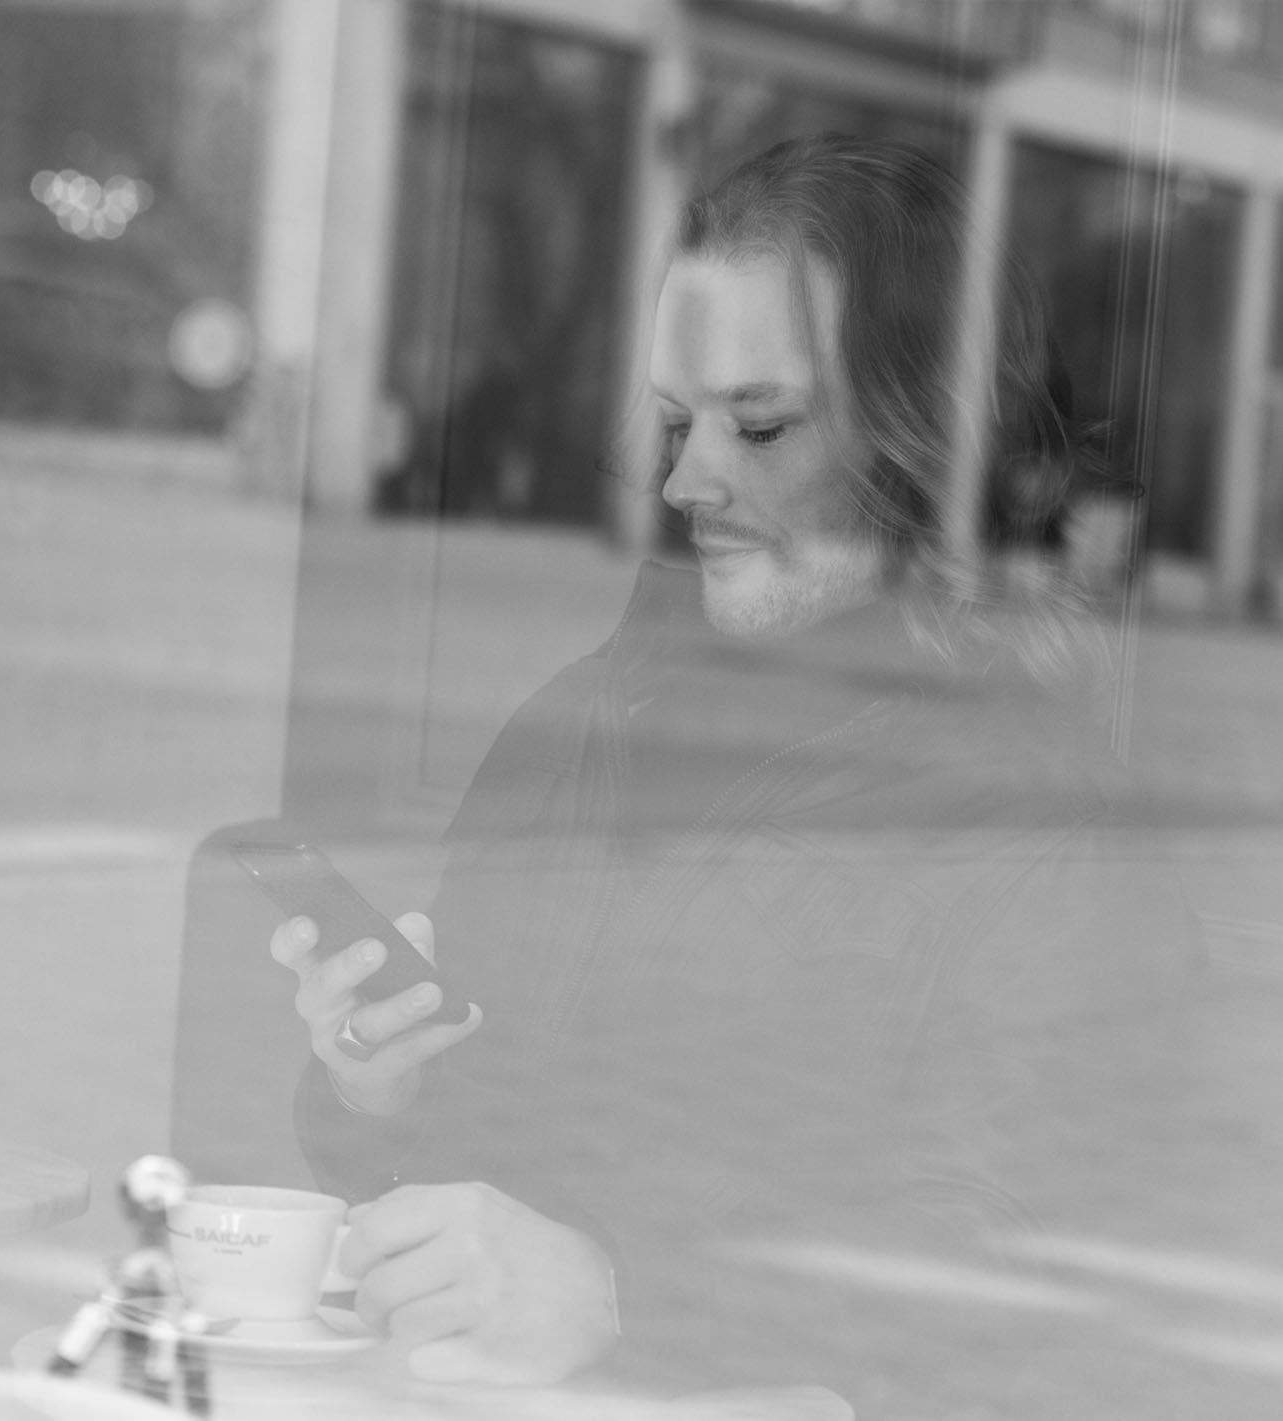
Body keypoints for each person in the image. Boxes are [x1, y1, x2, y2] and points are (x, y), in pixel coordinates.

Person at [174, 135, 1197, 1416]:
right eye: (674, 421)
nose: (684, 479)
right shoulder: (586, 714)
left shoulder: (1049, 821)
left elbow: (1022, 1276)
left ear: (923, 440)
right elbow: (493, 1160)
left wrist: (619, 1293)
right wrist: (379, 1090)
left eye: (758, 425)